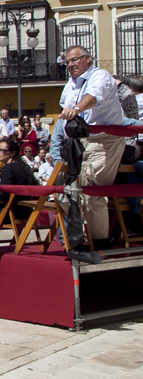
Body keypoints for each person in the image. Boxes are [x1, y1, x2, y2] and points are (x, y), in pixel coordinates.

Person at [58, 46, 125, 258]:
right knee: (66, 191)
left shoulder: (100, 76)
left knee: (92, 190)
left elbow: (93, 97)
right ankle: (78, 238)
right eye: (67, 62)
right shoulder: (70, 84)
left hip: (104, 141)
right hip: (79, 143)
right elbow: (64, 113)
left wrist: (76, 109)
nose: (71, 65)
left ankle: (99, 242)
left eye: (75, 60)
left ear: (87, 58)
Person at [0, 138, 37, 223]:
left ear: (13, 153)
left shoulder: (8, 168)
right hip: (24, 212)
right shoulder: (24, 167)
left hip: (8, 213)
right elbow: (9, 192)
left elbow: (3, 195)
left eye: (2, 150)